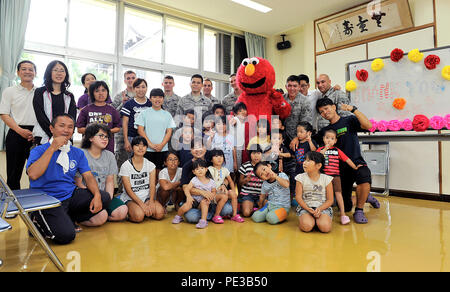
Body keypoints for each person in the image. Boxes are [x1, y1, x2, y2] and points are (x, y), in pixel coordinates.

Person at [27, 114, 111, 244]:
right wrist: (52, 148)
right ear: (51, 128)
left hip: (69, 195)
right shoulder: (38, 150)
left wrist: (97, 195)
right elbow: (33, 174)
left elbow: (88, 176)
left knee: (104, 197)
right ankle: (36, 219)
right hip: (45, 198)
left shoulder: (77, 152)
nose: (66, 130)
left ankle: (67, 217)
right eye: (61, 126)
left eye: (70, 127)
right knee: (66, 236)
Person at [316, 97, 380, 224]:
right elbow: (313, 144)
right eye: (321, 112)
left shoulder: (349, 120)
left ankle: (360, 210)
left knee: (364, 175)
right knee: (345, 207)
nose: (325, 113)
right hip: (339, 170)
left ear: (334, 107)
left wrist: (354, 110)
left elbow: (368, 125)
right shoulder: (324, 131)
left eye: (326, 109)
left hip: (355, 162)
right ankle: (365, 196)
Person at [75, 124, 128, 222]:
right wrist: (95, 197)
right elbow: (78, 183)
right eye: (101, 136)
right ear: (90, 138)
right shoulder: (81, 154)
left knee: (122, 212)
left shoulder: (110, 155)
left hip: (104, 196)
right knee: (100, 218)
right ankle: (81, 217)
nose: (105, 139)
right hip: (87, 196)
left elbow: (109, 181)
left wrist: (107, 199)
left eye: (107, 136)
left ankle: (100, 213)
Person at [0, 60, 37, 190]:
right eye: (24, 69)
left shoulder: (41, 92)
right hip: (16, 133)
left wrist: (36, 133)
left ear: (35, 73)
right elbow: (4, 114)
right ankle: (15, 208)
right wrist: (20, 130)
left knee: (37, 173)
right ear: (18, 72)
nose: (27, 72)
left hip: (37, 135)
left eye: (30, 69)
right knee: (13, 174)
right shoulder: (10, 91)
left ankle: (37, 207)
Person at [179, 139, 233, 223]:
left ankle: (208, 215)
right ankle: (210, 215)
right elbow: (185, 187)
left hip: (212, 200)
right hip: (196, 202)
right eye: (194, 147)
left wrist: (223, 184)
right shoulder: (187, 166)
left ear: (205, 148)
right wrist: (202, 192)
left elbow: (224, 177)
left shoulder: (211, 162)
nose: (198, 150)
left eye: (200, 146)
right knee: (191, 217)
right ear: (190, 150)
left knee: (228, 209)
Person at [317, 129, 360, 225]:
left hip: (336, 176)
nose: (329, 140)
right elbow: (318, 157)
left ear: (335, 141)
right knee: (323, 195)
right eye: (327, 138)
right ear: (323, 139)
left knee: (338, 194)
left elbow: (347, 159)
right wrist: (325, 149)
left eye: (332, 138)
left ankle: (343, 214)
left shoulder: (337, 151)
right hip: (323, 177)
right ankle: (321, 212)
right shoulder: (320, 150)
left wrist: (355, 167)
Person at [119, 136, 165, 222]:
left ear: (146, 148)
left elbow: (152, 186)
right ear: (132, 147)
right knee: (138, 216)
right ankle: (132, 211)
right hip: (131, 199)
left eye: (143, 146)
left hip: (146, 198)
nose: (140, 148)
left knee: (160, 214)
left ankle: (145, 210)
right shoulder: (125, 166)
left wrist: (151, 202)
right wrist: (141, 205)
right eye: (137, 145)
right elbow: (128, 190)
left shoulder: (150, 165)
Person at [32, 60, 76, 145]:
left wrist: (64, 136)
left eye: (62, 71)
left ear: (65, 74)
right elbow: (40, 117)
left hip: (65, 139)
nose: (59, 73)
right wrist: (55, 135)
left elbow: (72, 119)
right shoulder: (40, 92)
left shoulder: (69, 96)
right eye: (55, 70)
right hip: (43, 138)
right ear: (49, 73)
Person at [136, 88, 176, 171]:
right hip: (147, 149)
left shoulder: (167, 114)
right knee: (147, 171)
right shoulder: (144, 113)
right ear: (150, 99)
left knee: (160, 172)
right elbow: (140, 130)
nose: (157, 99)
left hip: (162, 149)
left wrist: (162, 145)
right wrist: (150, 144)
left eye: (160, 97)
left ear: (163, 99)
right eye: (154, 97)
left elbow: (169, 131)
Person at [76, 81, 121, 154]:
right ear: (92, 94)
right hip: (89, 147)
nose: (101, 93)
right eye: (97, 91)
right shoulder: (86, 110)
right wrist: (95, 133)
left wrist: (105, 132)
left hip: (107, 147)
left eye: (103, 90)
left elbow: (118, 128)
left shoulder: (112, 110)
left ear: (107, 92)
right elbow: (79, 129)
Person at [295, 151, 334, 233]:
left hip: (322, 208)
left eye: (308, 161)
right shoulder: (300, 178)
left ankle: (317, 221)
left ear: (318, 165)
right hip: (306, 207)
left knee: (325, 228)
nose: (304, 163)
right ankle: (310, 220)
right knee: (306, 227)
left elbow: (330, 200)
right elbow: (298, 197)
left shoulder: (326, 179)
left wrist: (320, 209)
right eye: (304, 160)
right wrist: (307, 209)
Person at [172, 159, 217, 229]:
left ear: (206, 169)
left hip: (205, 201)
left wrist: (211, 196)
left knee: (204, 202)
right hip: (195, 200)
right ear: (194, 172)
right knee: (187, 205)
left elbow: (214, 191)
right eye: (197, 169)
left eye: (202, 168)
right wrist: (189, 197)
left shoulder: (211, 182)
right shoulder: (194, 180)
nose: (200, 170)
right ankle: (178, 216)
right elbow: (187, 188)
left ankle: (203, 221)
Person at [112, 70, 136, 193]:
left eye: (133, 78)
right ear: (125, 80)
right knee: (122, 163)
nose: (131, 80)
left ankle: (135, 192)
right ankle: (121, 191)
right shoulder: (119, 96)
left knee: (136, 164)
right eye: (128, 78)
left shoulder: (141, 96)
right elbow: (112, 114)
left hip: (137, 135)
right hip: (122, 136)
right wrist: (122, 104)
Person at [208, 149, 244, 223]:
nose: (219, 158)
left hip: (222, 192)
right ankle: (216, 215)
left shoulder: (225, 170)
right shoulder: (209, 169)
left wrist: (233, 190)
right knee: (224, 196)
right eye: (216, 156)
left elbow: (230, 181)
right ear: (211, 160)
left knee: (233, 194)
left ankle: (234, 215)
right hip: (213, 193)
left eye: (221, 156)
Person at [121, 78, 152, 155]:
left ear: (147, 88)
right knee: (133, 162)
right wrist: (126, 140)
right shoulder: (128, 104)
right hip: (132, 137)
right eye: (137, 87)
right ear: (134, 89)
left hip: (148, 138)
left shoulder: (151, 103)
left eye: (143, 87)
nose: (140, 89)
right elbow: (125, 123)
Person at [283, 75, 312, 146]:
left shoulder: (305, 101)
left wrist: (297, 138)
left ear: (299, 87)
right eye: (289, 85)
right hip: (282, 138)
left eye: (295, 86)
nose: (292, 88)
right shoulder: (281, 99)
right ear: (286, 86)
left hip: (299, 139)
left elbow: (305, 123)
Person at [238, 145, 264, 217]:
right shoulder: (245, 166)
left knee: (267, 208)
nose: (256, 156)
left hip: (261, 195)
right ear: (250, 155)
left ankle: (254, 207)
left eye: (258, 153)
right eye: (253, 153)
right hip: (248, 195)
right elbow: (240, 183)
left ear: (261, 154)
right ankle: (250, 207)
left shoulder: (265, 166)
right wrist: (246, 180)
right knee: (246, 213)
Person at [229, 102, 248, 168]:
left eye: (244, 110)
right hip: (236, 147)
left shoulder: (246, 121)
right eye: (240, 111)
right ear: (235, 113)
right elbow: (232, 122)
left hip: (244, 146)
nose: (243, 112)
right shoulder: (235, 119)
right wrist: (234, 120)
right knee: (237, 166)